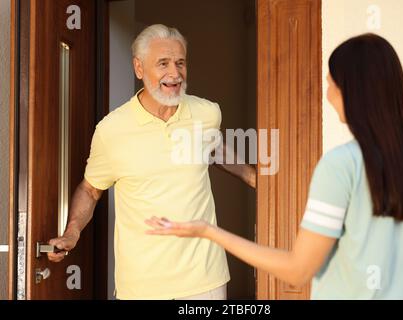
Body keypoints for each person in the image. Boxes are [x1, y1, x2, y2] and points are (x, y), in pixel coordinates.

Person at [147, 33, 403, 299]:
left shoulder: (342, 166)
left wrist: (209, 232)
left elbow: (298, 271)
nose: (327, 93)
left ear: (352, 91)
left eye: (331, 83)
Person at [47, 24, 256, 300]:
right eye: (163, 63)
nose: (175, 73)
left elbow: (214, 148)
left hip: (205, 280)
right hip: (141, 286)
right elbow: (90, 189)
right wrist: (71, 232)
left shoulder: (207, 113)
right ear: (139, 68)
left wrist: (257, 180)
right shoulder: (112, 130)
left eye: (180, 63)